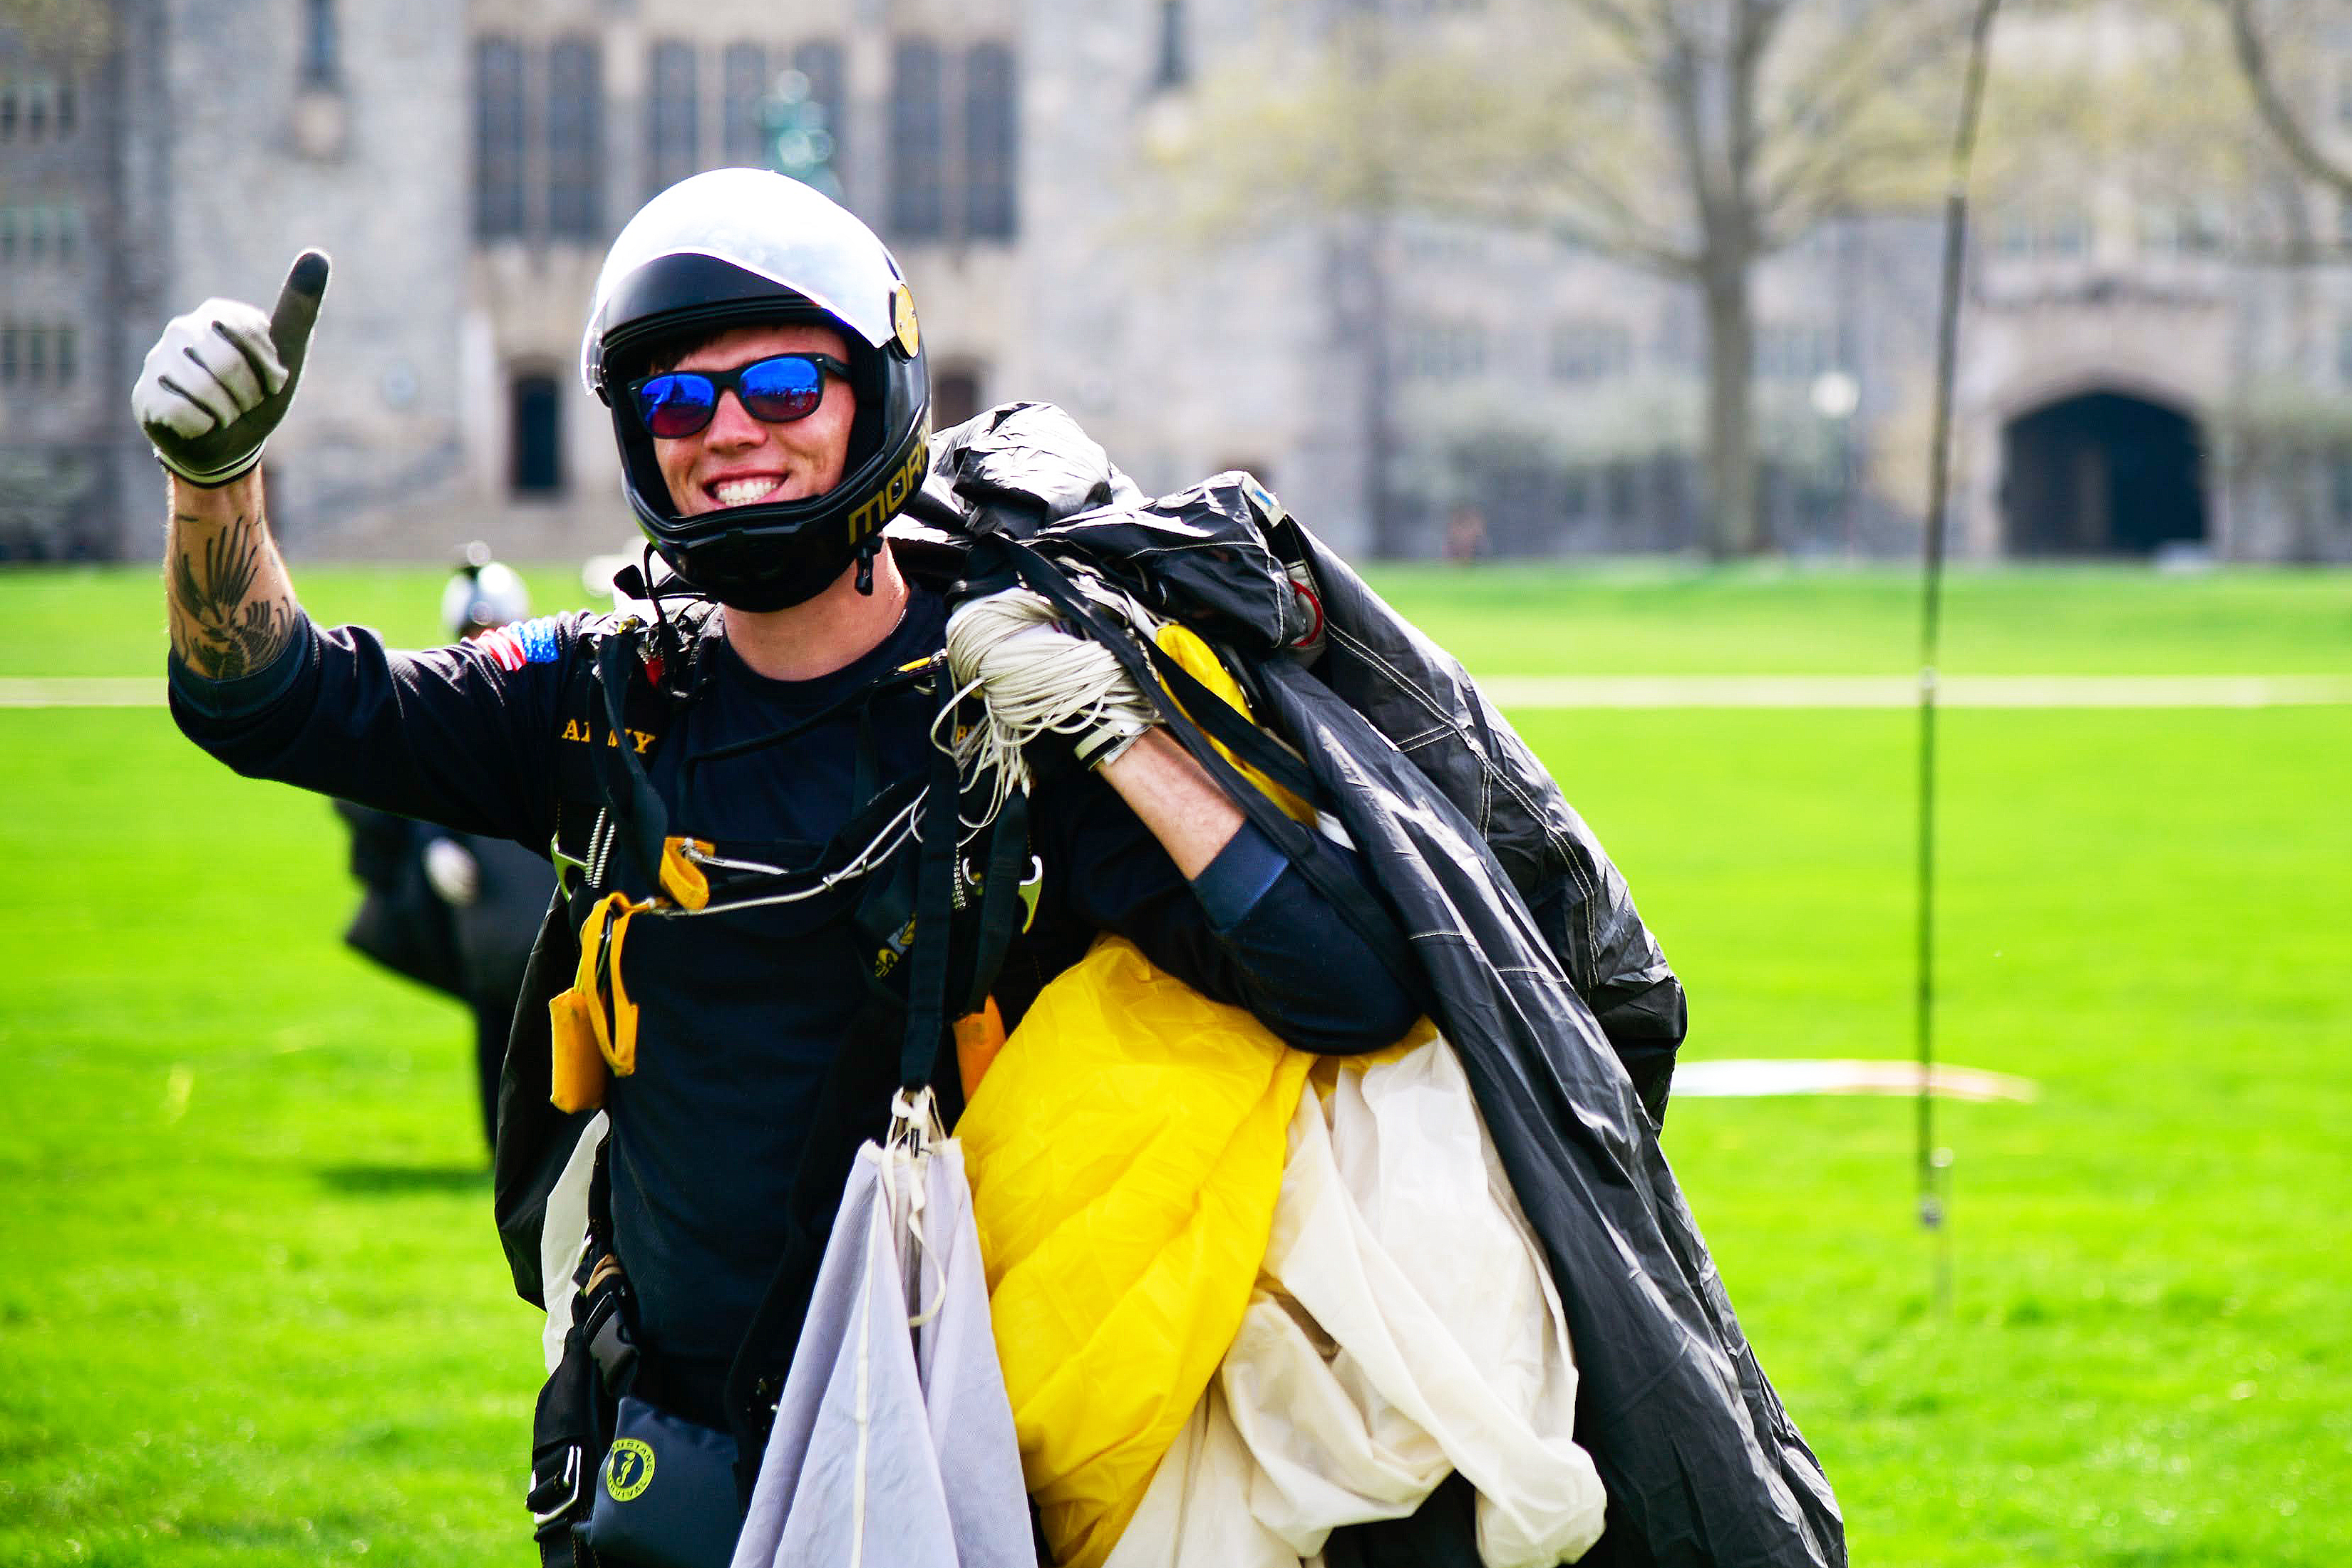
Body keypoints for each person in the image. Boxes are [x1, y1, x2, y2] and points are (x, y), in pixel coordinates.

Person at [136, 171, 1418, 1562]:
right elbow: (270, 703)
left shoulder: (1016, 703)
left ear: (878, 395)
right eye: (679, 401)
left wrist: (1118, 731)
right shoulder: (604, 693)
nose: (730, 431)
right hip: (668, 1453)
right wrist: (217, 481)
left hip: (958, 1454)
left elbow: (1349, 985)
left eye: (786, 386)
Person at [334, 547, 559, 1155]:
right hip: (482, 900)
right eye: (472, 629)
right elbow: (411, 776)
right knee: (496, 1014)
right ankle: (504, 1148)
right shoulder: (445, 691)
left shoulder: (550, 689)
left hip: (536, 885)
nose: (484, 639)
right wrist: (433, 842)